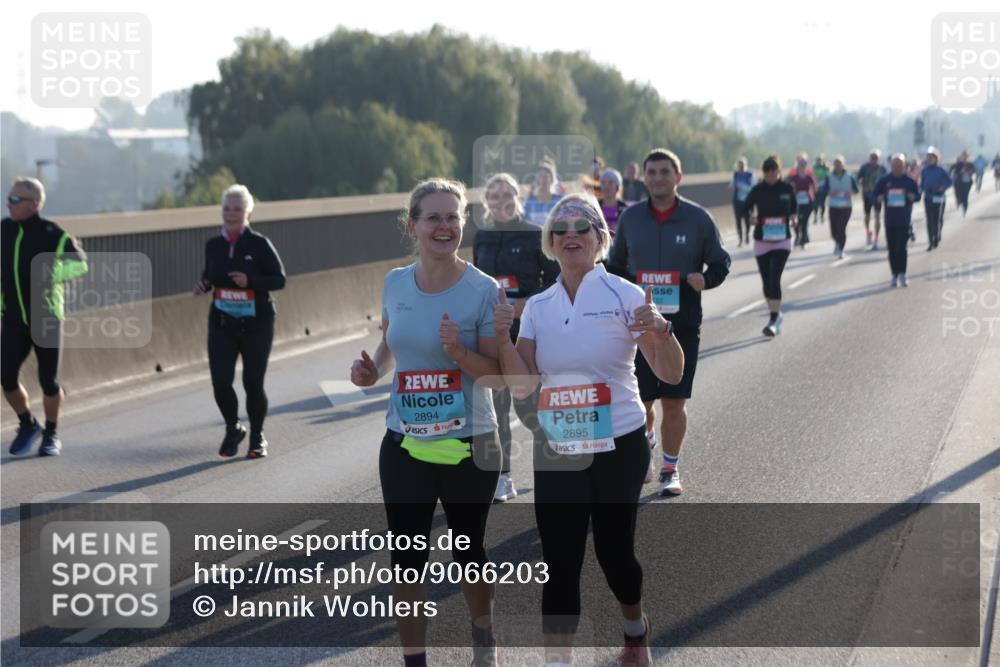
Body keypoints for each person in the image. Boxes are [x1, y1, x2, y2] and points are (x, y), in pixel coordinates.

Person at [494, 193, 684, 667]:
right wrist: (501, 339)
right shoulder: (537, 306)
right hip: (560, 447)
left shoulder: (625, 294)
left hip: (620, 444)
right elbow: (524, 383)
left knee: (614, 554)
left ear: (600, 238)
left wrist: (662, 331)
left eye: (583, 227)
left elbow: (672, 373)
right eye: (561, 229)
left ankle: (635, 632)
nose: (571, 235)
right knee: (559, 564)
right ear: (551, 242)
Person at [350, 178, 503, 667]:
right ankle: (414, 659)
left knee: (468, 552)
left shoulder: (483, 289)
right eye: (433, 218)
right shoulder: (395, 282)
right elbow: (394, 338)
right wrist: (373, 368)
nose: (444, 227)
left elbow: (497, 375)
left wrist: (459, 352)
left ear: (463, 223)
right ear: (412, 225)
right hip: (406, 442)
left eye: (453, 217)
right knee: (406, 560)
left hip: (468, 441)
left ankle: (483, 636)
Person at [608, 148, 731, 496]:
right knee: (641, 402)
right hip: (640, 326)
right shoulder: (631, 219)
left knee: (674, 402)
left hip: (682, 324)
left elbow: (721, 262)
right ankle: (645, 444)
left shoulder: (698, 219)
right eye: (652, 172)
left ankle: (670, 469)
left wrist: (707, 279)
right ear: (643, 178)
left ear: (678, 178)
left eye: (665, 172)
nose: (658, 177)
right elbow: (615, 266)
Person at [473, 172, 559, 503]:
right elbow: (476, 282)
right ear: (486, 202)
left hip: (525, 333)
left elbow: (556, 281)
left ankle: (556, 461)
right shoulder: (481, 238)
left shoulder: (534, 234)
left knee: (528, 410)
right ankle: (503, 476)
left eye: (506, 194)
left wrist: (527, 303)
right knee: (497, 409)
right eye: (493, 196)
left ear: (517, 195)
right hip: (493, 332)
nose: (501, 201)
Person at [194, 184, 286, 459]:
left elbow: (279, 279)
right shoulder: (213, 245)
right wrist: (204, 284)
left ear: (248, 213)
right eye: (226, 209)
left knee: (252, 382)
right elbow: (211, 274)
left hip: (257, 323)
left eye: (237, 209)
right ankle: (233, 427)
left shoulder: (259, 245)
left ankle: (257, 436)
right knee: (220, 381)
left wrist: (251, 282)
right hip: (222, 323)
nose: (231, 214)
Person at [2, 177, 87, 456]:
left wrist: (52, 276)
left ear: (34, 204)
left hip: (46, 317)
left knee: (48, 381)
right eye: (9, 198)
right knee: (6, 377)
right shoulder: (4, 230)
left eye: (15, 200)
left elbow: (79, 265)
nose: (9, 203)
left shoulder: (51, 232)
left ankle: (51, 434)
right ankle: (28, 423)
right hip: (14, 318)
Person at [741, 156, 796, 336]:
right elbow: (745, 208)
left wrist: (794, 218)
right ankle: (776, 313)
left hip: (782, 240)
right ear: (764, 173)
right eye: (768, 173)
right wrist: (750, 217)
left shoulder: (787, 189)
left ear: (779, 172)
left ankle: (773, 320)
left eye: (774, 173)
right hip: (762, 240)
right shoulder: (757, 190)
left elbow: (795, 208)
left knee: (774, 278)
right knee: (766, 283)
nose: (771, 176)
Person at [871, 154, 921, 288]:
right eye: (894, 166)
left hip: (904, 220)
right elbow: (873, 195)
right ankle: (894, 274)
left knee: (902, 248)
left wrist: (913, 196)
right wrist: (878, 198)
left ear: (904, 166)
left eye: (900, 166)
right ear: (891, 166)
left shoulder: (909, 181)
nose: (897, 168)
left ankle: (903, 274)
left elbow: (918, 195)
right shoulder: (884, 181)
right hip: (890, 220)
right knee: (892, 249)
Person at [824, 155, 859, 259]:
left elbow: (856, 190)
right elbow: (824, 190)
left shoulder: (849, 176)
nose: (838, 166)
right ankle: (837, 243)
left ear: (843, 165)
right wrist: (830, 192)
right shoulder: (829, 177)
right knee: (833, 231)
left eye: (840, 164)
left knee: (841, 228)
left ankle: (841, 249)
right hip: (833, 206)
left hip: (846, 206)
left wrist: (850, 193)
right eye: (836, 164)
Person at [919, 147, 952, 251]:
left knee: (937, 219)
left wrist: (942, 188)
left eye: (931, 158)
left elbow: (950, 182)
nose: (929, 159)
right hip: (928, 197)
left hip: (939, 197)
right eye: (928, 157)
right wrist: (922, 190)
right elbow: (922, 183)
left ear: (936, 159)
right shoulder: (924, 170)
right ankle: (930, 241)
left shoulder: (941, 170)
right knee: (929, 220)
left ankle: (936, 236)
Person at [857, 150, 887, 249]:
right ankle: (868, 232)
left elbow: (886, 181)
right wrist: (863, 186)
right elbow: (858, 179)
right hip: (867, 194)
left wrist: (883, 192)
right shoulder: (864, 167)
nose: (874, 159)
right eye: (872, 157)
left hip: (878, 195)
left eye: (876, 158)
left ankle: (876, 238)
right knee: (867, 215)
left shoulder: (882, 169)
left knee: (877, 216)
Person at [787, 153, 816, 248]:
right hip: (796, 202)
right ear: (798, 165)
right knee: (796, 221)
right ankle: (798, 236)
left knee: (804, 221)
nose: (802, 166)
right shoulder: (793, 177)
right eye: (801, 164)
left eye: (804, 164)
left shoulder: (809, 176)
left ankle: (803, 240)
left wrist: (811, 192)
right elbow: (788, 186)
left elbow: (815, 187)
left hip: (807, 202)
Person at [730, 157, 756, 247]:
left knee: (747, 220)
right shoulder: (735, 174)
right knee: (738, 220)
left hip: (748, 201)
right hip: (737, 201)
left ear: (746, 165)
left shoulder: (750, 174)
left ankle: (747, 235)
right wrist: (735, 187)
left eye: (742, 164)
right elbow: (731, 185)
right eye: (739, 165)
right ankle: (740, 239)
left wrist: (744, 188)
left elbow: (754, 186)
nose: (741, 166)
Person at [598, 168, 628, 236]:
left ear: (617, 187)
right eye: (603, 183)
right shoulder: (595, 208)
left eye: (610, 182)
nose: (606, 186)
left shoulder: (625, 209)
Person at [949, 151, 975, 217]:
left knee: (965, 197)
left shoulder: (970, 164)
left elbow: (974, 170)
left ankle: (965, 209)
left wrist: (969, 172)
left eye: (966, 156)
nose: (964, 157)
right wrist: (961, 172)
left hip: (967, 183)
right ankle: (959, 202)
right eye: (963, 156)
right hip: (959, 183)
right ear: (961, 157)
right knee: (959, 195)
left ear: (967, 157)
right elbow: (954, 171)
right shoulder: (958, 164)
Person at [812, 155, 830, 225]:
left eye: (820, 160)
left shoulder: (825, 167)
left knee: (822, 203)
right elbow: (812, 176)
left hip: (823, 188)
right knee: (815, 204)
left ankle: (822, 216)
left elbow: (827, 176)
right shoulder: (814, 168)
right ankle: (815, 216)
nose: (819, 162)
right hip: (816, 188)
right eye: (818, 160)